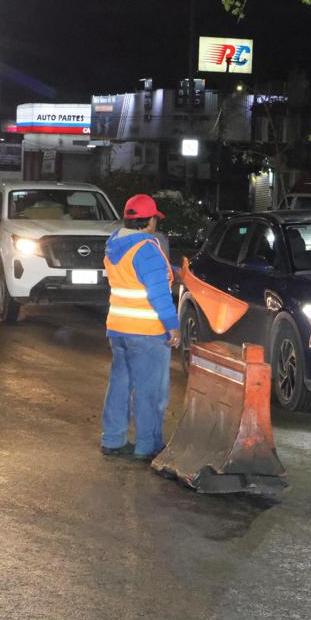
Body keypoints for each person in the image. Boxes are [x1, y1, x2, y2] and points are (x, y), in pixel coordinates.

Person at [100, 194, 180, 462]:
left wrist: (173, 270)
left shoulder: (115, 243)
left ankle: (112, 440)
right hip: (146, 332)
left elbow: (134, 275)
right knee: (150, 390)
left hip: (119, 330)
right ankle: (148, 445)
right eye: (155, 217)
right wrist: (173, 327)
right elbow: (158, 294)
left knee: (120, 385)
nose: (156, 222)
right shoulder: (147, 248)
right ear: (148, 221)